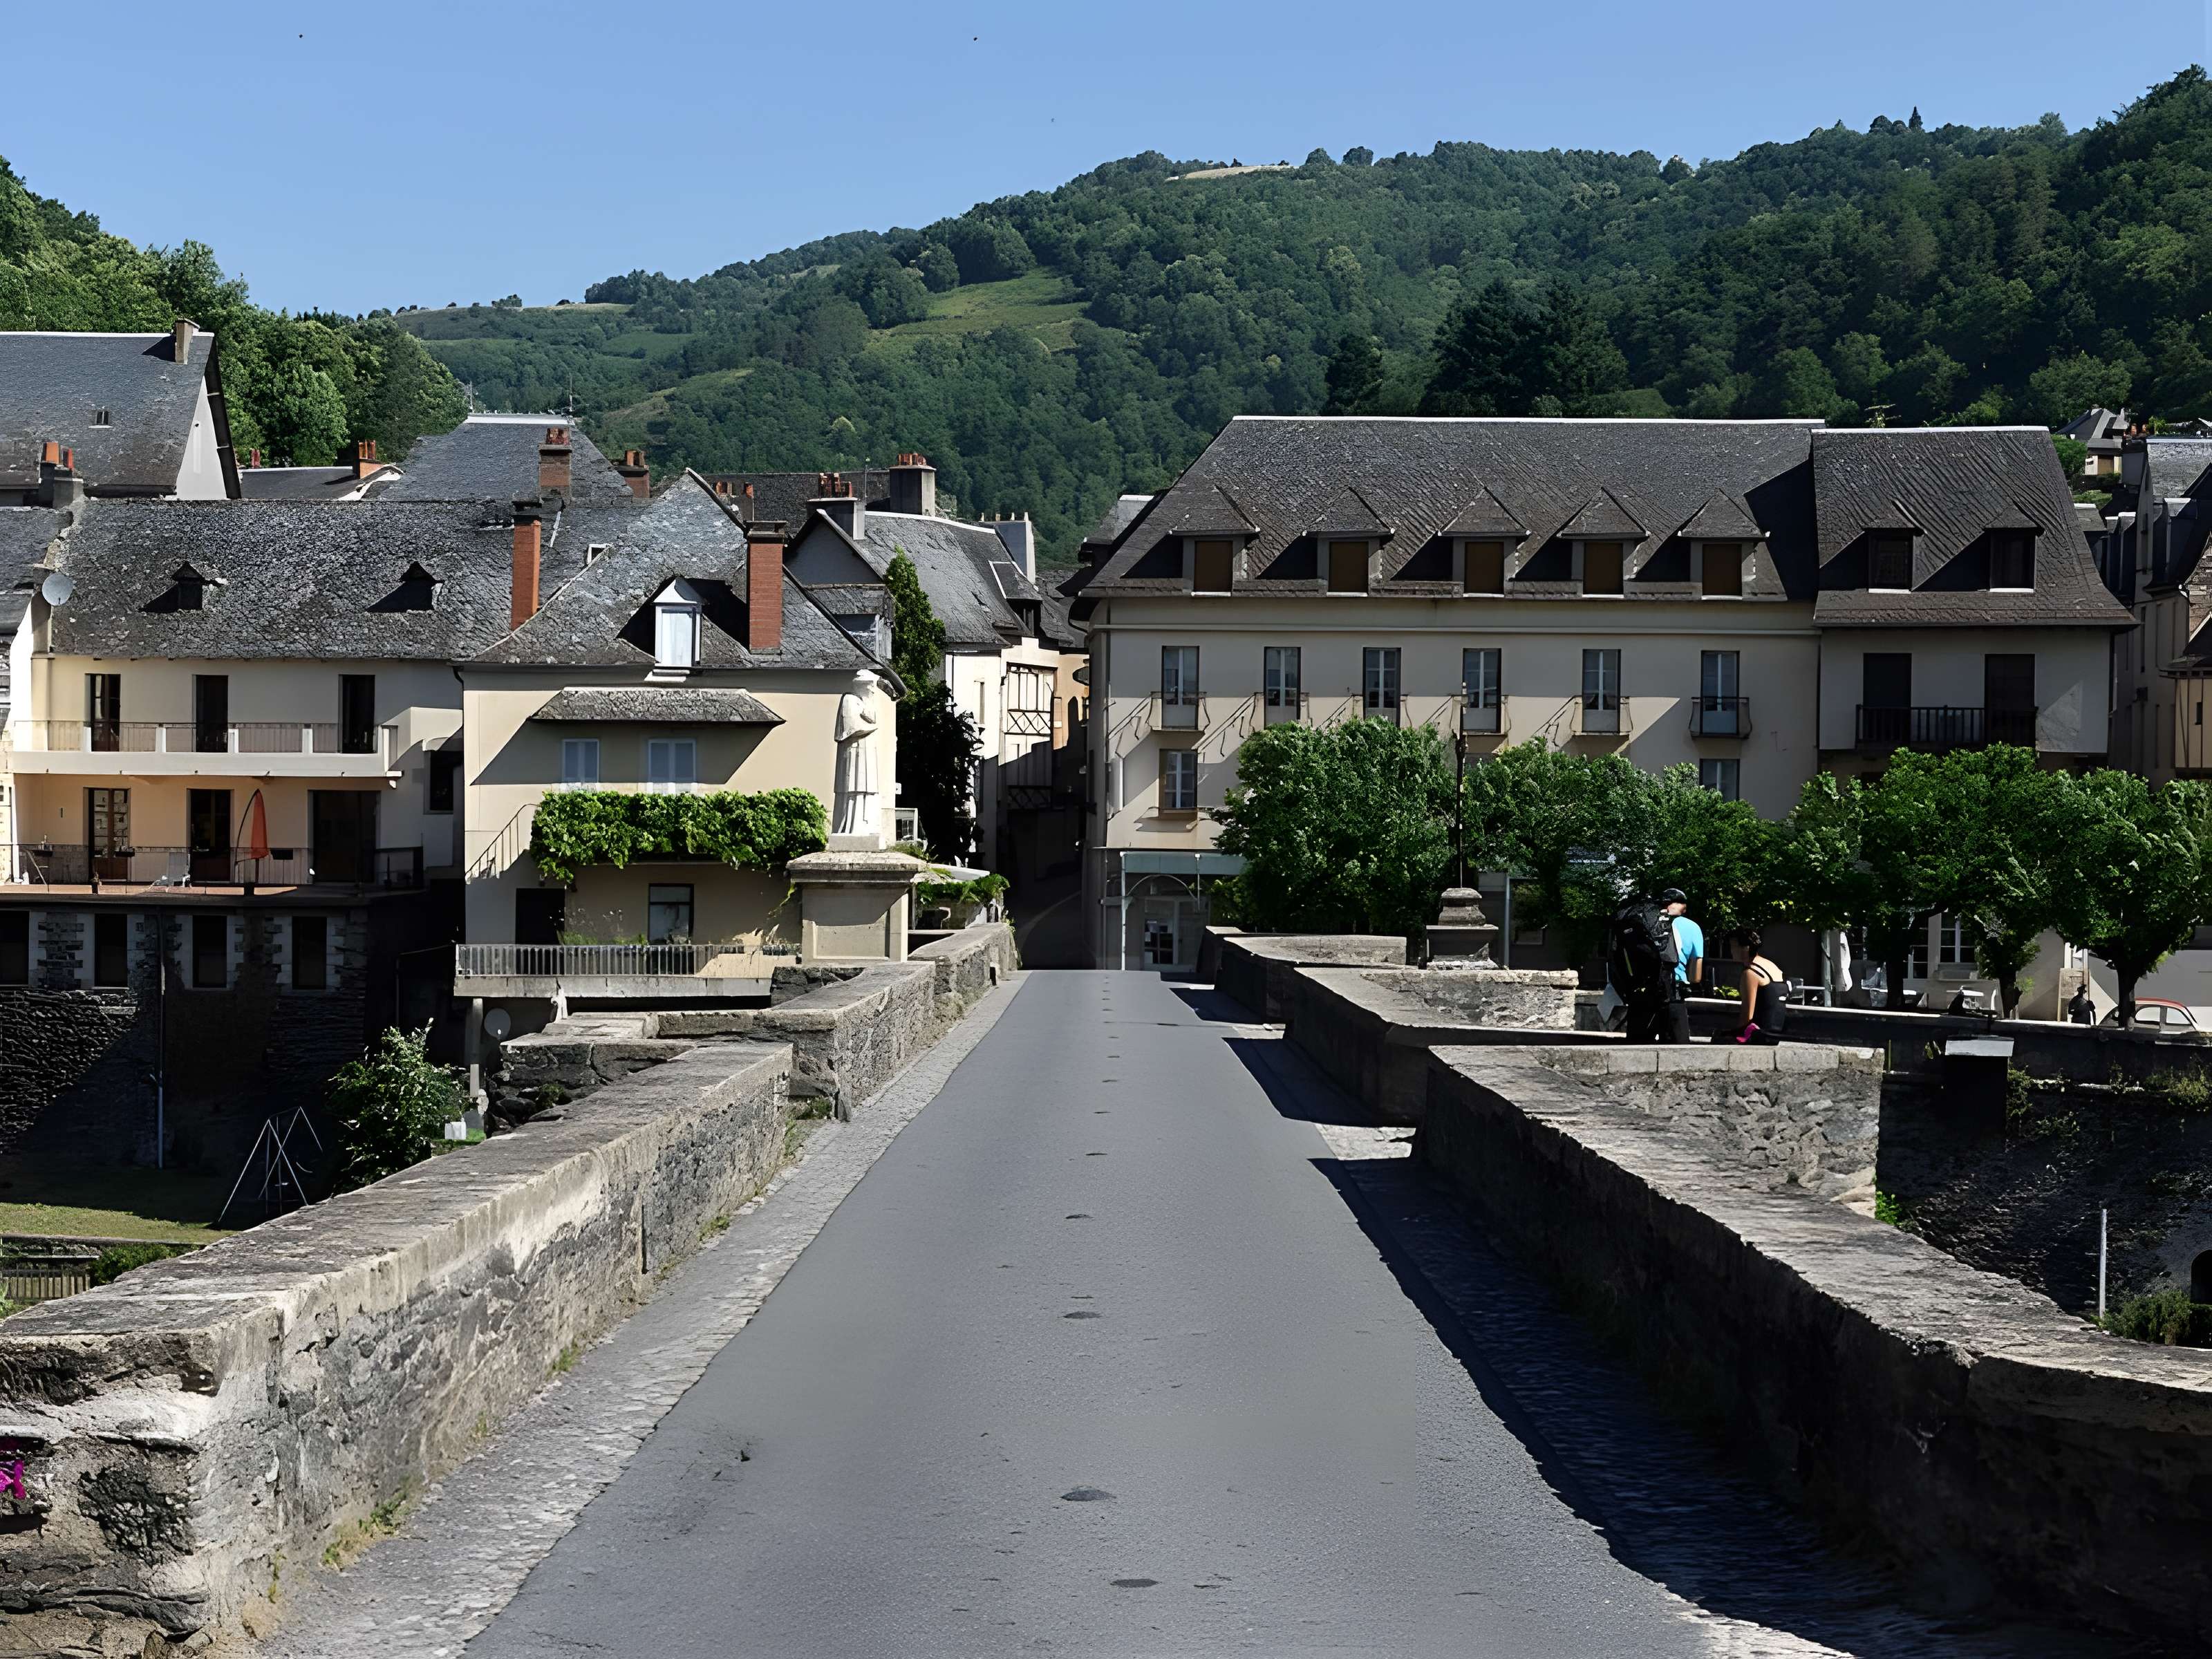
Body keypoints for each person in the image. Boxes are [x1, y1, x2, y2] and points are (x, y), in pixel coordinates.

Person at [1610, 888, 1694, 1042]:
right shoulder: (1671, 923)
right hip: (1665, 990)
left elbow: (1615, 956)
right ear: (1669, 904)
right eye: (1681, 904)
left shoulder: (1631, 920)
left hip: (1637, 989)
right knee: (1676, 1048)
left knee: (1637, 1043)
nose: (1685, 909)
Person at [1732, 928, 1789, 1044]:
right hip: (1775, 1033)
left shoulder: (1751, 973)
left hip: (1759, 1035)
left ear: (1746, 949)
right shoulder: (1771, 965)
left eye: (1733, 946)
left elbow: (1747, 1016)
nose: (1731, 951)